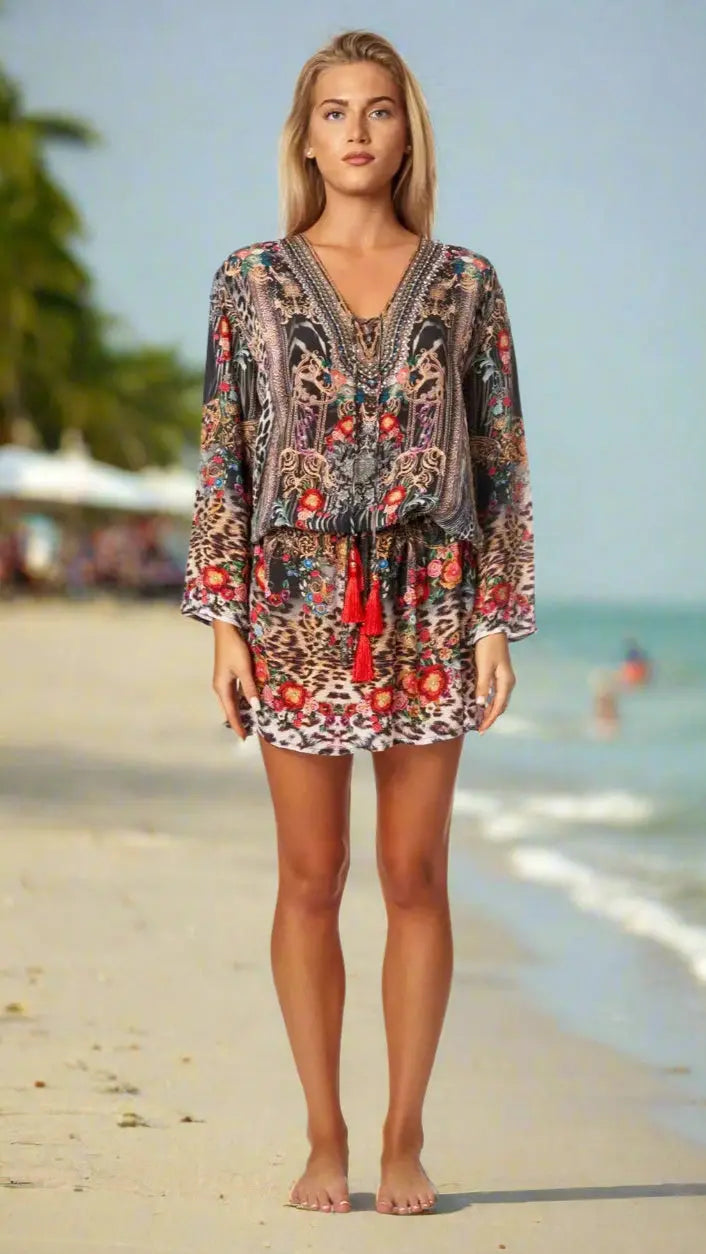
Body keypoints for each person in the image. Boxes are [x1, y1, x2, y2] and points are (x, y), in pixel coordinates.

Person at [181, 29, 536, 1216]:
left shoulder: (468, 284)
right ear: (305, 135)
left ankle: (404, 1135)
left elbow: (499, 462)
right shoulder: (248, 280)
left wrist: (494, 619)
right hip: (294, 604)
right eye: (334, 112)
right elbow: (224, 455)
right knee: (311, 875)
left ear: (405, 132)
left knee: (414, 875)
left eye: (378, 111)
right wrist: (224, 622)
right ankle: (324, 1134)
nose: (356, 132)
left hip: (431, 599)